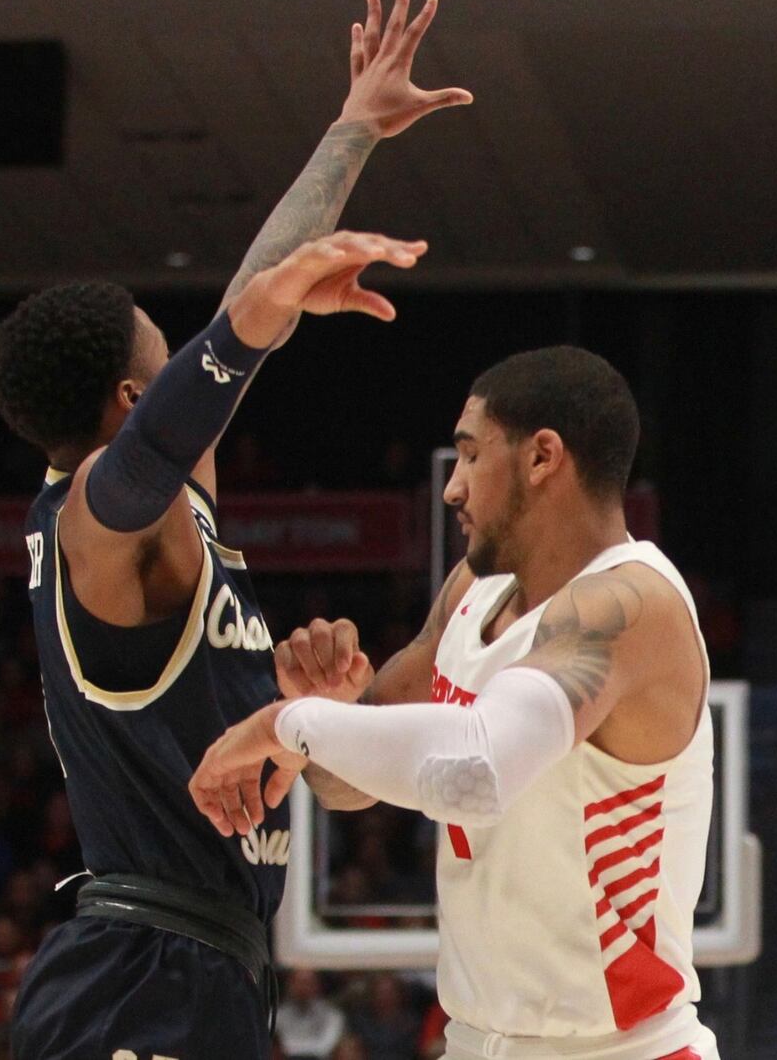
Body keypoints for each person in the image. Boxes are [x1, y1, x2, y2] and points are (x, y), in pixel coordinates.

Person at [0, 0, 467, 1060]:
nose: (190, 355)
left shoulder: (176, 521)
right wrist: (252, 327)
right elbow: (168, 427)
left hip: (201, 968)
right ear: (127, 401)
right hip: (135, 975)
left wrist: (352, 132)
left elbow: (249, 298)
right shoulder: (94, 529)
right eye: (165, 355)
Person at [190, 347, 721, 1058]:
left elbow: (473, 772)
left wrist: (289, 723)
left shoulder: (629, 606)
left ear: (542, 458)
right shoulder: (471, 594)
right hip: (475, 1041)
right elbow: (343, 785)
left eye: (470, 456)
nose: (452, 488)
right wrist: (335, 709)